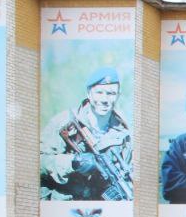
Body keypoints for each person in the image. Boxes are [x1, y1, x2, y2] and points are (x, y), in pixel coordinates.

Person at [40, 67, 133, 202]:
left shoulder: (124, 132)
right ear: (89, 94)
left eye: (111, 93)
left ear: (118, 95)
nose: (105, 99)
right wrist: (73, 162)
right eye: (99, 92)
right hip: (65, 205)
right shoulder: (64, 122)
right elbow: (37, 162)